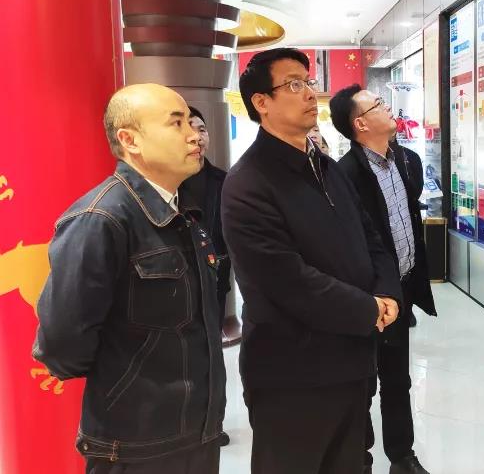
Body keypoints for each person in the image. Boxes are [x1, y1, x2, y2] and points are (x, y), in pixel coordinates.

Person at [222, 48, 403, 474]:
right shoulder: (248, 184)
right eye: (293, 84)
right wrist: (368, 309)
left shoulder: (327, 168)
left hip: (352, 360)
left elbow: (372, 238)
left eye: (308, 81)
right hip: (292, 375)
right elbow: (288, 282)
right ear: (261, 102)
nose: (309, 93)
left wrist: (387, 293)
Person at [33, 84, 226, 473]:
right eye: (176, 123)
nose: (193, 134)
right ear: (130, 140)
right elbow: (62, 346)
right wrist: (126, 376)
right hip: (134, 444)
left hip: (197, 432)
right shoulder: (100, 219)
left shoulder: (184, 212)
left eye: (192, 123)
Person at [330, 85, 437, 474]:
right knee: (362, 382)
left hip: (402, 287)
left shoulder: (405, 161)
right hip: (368, 296)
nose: (387, 106)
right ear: (360, 124)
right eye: (377, 104)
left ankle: (402, 456)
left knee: (398, 378)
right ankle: (359, 458)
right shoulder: (344, 175)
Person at [181, 107, 239, 347]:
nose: (198, 136)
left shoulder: (225, 180)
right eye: (190, 129)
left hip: (216, 279)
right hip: (180, 282)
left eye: (202, 129)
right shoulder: (168, 181)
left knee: (212, 344)